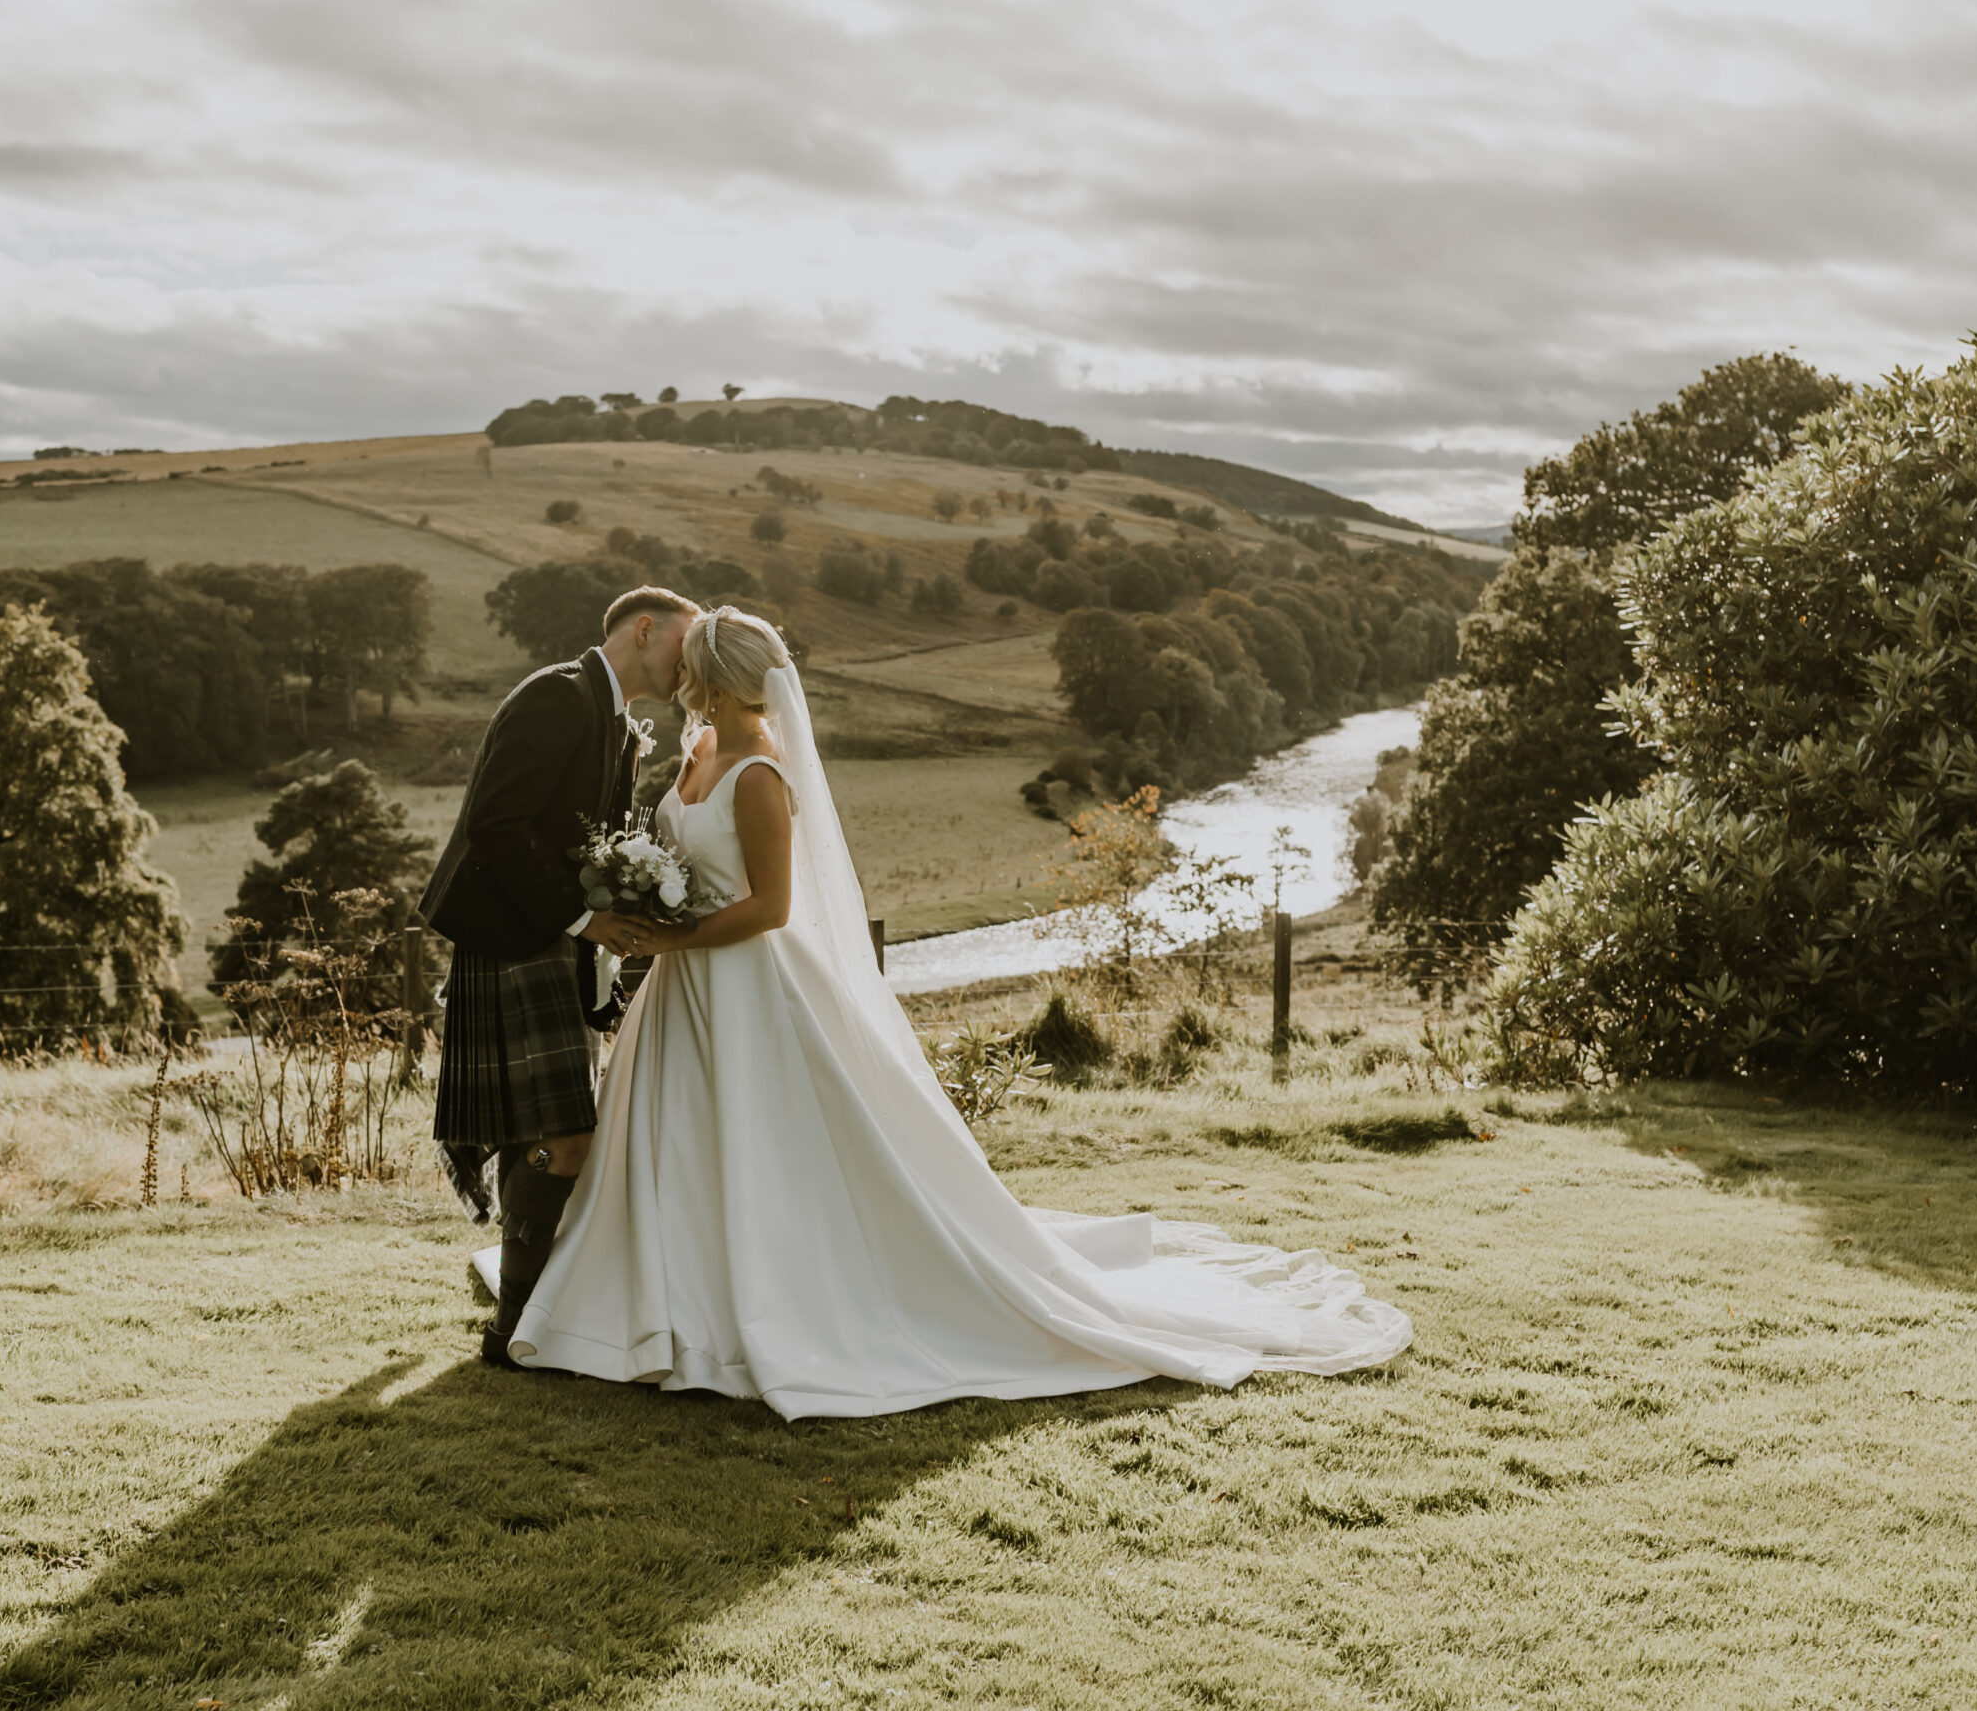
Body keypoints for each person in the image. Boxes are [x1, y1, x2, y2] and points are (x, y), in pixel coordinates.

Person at [482, 605, 1410, 1417]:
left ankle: (747, 1305)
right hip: (685, 994)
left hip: (747, 987)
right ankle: (655, 1301)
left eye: (690, 663)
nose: (673, 672)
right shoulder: (696, 751)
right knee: (675, 1147)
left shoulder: (759, 775)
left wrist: (671, 939)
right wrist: (648, 905)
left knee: (757, 1150)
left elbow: (769, 909)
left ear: (715, 681)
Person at [418, 585, 700, 1365]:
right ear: (644, 630)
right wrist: (583, 920)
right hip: (514, 935)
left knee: (540, 1132)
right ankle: (517, 1329)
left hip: (549, 938)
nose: (689, 665)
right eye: (684, 645)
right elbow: (495, 824)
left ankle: (527, 1316)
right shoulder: (557, 696)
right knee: (562, 1134)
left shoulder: (615, 721)